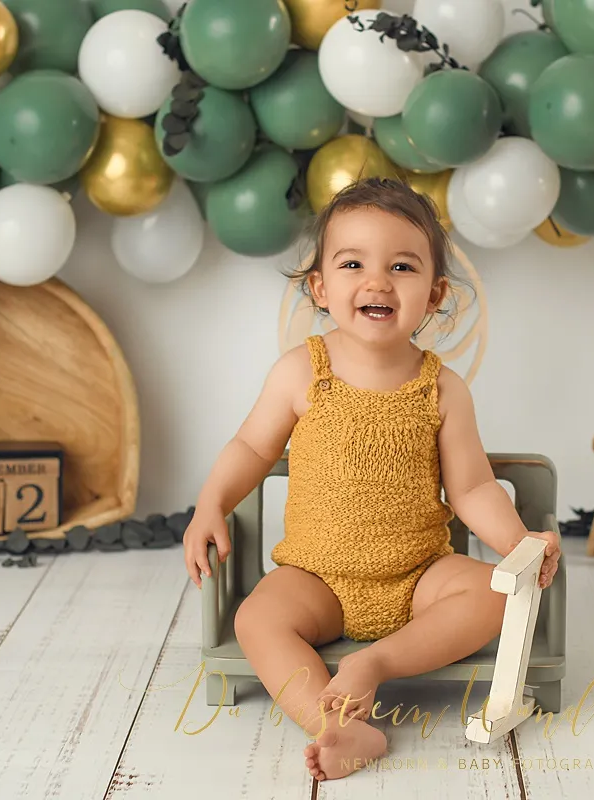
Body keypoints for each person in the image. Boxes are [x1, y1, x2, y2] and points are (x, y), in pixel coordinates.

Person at [181, 177, 561, 781]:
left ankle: (375, 663)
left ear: (434, 294)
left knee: (495, 592)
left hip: (417, 579)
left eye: (402, 266)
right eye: (353, 262)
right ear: (321, 287)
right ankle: (336, 725)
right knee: (256, 618)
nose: (377, 280)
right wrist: (209, 504)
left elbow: (471, 488)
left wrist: (519, 540)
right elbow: (252, 446)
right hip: (317, 577)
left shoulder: (442, 389)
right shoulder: (301, 371)